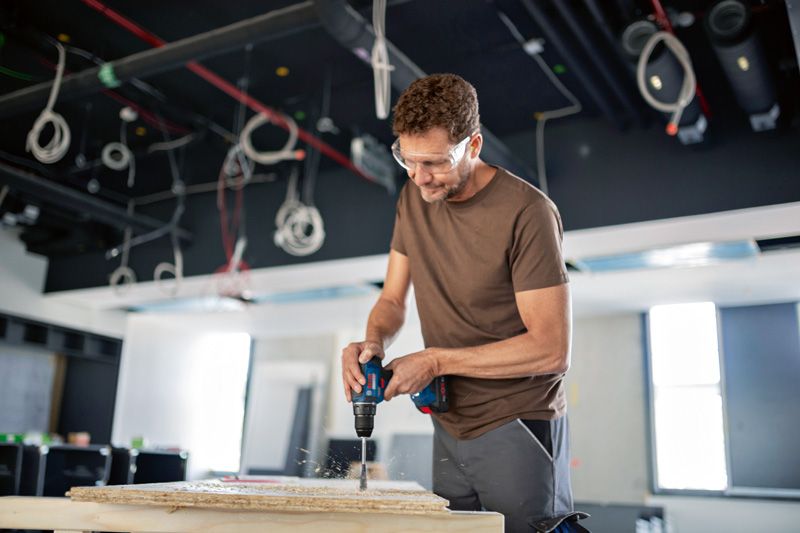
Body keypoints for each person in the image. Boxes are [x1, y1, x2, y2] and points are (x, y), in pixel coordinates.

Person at [341, 73, 583, 532]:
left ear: (472, 146)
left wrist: (433, 361)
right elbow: (392, 298)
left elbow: (551, 350)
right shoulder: (414, 198)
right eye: (406, 160)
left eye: (434, 162)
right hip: (449, 423)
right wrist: (372, 342)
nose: (418, 176)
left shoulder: (526, 212)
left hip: (516, 421)